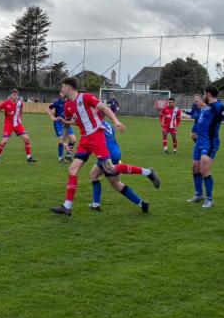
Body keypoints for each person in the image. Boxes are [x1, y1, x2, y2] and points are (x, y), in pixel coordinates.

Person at [50, 77, 157, 215]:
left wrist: (116, 121)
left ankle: (147, 172)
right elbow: (74, 122)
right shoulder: (67, 106)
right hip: (85, 140)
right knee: (72, 169)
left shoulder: (86, 97)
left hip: (96, 136)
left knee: (111, 169)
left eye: (63, 86)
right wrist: (64, 138)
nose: (61, 89)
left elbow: (104, 108)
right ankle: (67, 206)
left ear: (69, 87)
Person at [187, 85, 224, 209]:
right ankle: (199, 194)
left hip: (210, 142)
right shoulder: (206, 106)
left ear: (208, 94)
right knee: (195, 167)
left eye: (204, 94)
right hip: (199, 142)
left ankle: (209, 199)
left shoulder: (219, 107)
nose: (203, 96)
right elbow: (202, 119)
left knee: (204, 169)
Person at [88, 119, 160, 212]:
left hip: (107, 153)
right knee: (96, 175)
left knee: (114, 179)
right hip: (113, 151)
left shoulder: (95, 123)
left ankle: (147, 172)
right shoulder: (106, 123)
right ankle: (143, 204)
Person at [0, 89, 37, 163]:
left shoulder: (20, 103)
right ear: (10, 95)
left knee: (26, 138)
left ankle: (29, 157)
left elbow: (21, 110)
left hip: (17, 124)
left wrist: (20, 119)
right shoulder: (6, 103)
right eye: (14, 94)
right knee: (4, 142)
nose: (15, 96)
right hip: (8, 125)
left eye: (16, 94)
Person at [47, 89, 77, 162]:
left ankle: (68, 156)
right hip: (58, 124)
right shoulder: (57, 102)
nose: (62, 93)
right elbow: (48, 109)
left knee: (73, 140)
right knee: (62, 141)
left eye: (64, 92)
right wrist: (52, 117)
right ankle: (60, 158)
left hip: (67, 123)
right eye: (61, 92)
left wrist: (74, 117)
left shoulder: (70, 102)